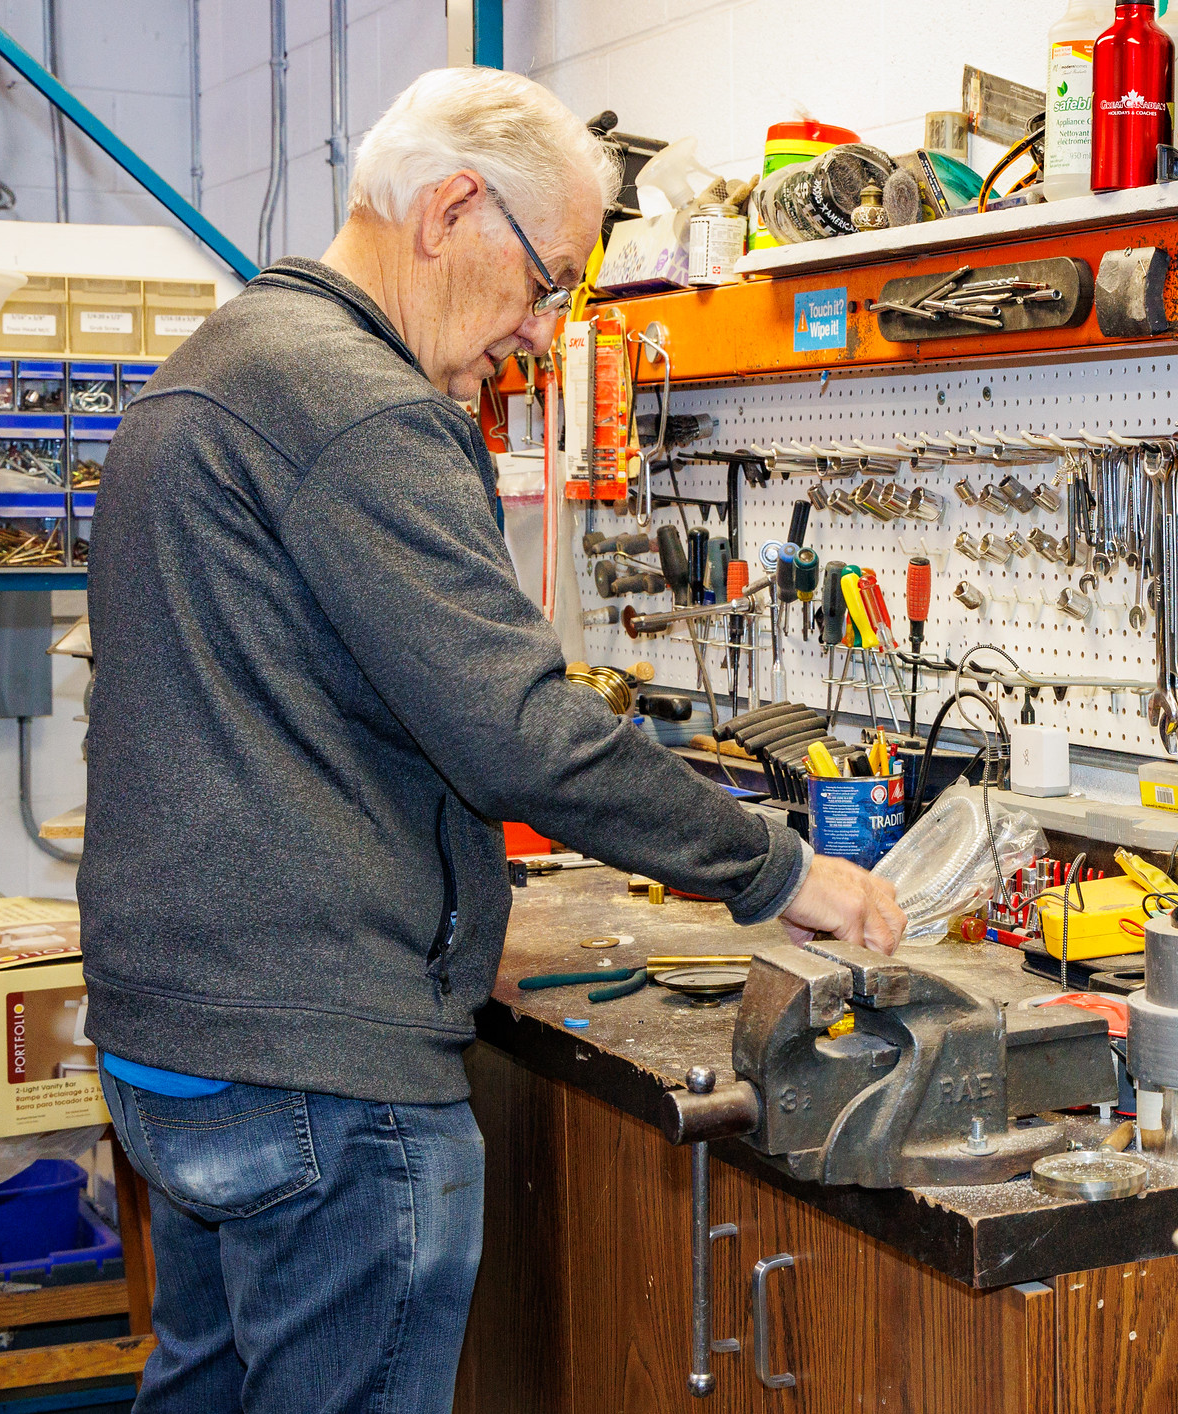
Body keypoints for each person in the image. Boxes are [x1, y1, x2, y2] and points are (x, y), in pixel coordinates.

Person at [79, 67, 904, 1413]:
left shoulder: (212, 370)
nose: (537, 330)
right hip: (318, 1070)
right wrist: (778, 870)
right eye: (546, 280)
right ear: (450, 208)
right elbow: (523, 733)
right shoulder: (361, 407)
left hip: (178, 1045)